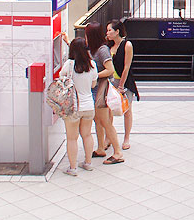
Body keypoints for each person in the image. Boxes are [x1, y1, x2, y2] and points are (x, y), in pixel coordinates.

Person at [85, 22, 125, 164]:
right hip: (95, 90)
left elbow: (109, 70)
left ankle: (118, 152)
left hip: (101, 90)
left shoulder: (102, 50)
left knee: (105, 122)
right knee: (98, 121)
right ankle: (101, 148)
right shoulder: (93, 49)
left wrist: (94, 75)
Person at [58, 37, 97, 175]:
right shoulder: (92, 64)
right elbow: (93, 84)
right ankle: (88, 163)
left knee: (72, 138)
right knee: (87, 135)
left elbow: (61, 78)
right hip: (89, 106)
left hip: (73, 107)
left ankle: (73, 168)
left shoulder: (69, 64)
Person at [106, 20, 138, 150]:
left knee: (127, 110)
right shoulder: (108, 46)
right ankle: (108, 137)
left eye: (109, 30)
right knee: (108, 110)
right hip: (110, 81)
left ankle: (126, 138)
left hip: (123, 82)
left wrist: (121, 85)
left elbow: (126, 66)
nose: (107, 33)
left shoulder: (126, 45)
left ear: (117, 31)